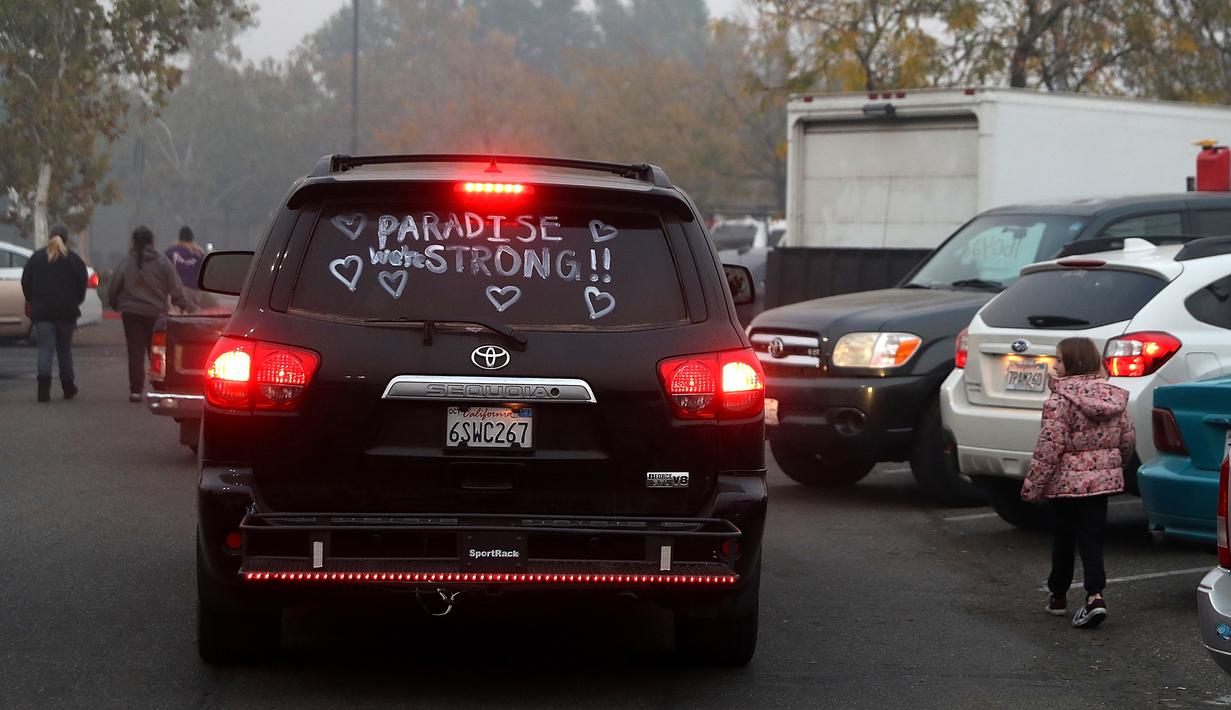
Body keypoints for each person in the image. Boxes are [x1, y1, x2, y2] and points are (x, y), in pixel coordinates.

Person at [1021, 337, 1135, 629]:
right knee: (1092, 539)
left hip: (1065, 485)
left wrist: (1033, 486)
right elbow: (1127, 439)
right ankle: (1095, 596)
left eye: (1059, 360)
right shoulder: (1113, 396)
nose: (1054, 365)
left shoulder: (1060, 400)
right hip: (1100, 484)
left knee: (1064, 539)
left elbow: (1049, 448)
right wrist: (1112, 466)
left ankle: (1058, 596)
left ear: (1073, 363)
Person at [109, 226, 196, 402]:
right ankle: (160, 386)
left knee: (135, 352)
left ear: (133, 241)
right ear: (152, 240)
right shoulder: (162, 261)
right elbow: (175, 286)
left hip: (131, 313)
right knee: (157, 351)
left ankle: (136, 390)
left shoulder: (127, 261)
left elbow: (115, 285)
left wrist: (116, 304)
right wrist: (183, 305)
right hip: (155, 313)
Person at [20, 224, 88, 402]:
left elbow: (25, 282)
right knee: (64, 349)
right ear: (66, 240)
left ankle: (43, 391)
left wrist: (33, 300)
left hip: (42, 311)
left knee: (45, 348)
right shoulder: (74, 260)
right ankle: (68, 387)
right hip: (66, 312)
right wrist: (75, 301)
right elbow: (82, 286)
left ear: (49, 237)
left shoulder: (37, 258)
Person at [166, 225, 204, 291]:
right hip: (194, 290)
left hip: (175, 290)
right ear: (192, 239)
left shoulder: (170, 252)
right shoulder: (199, 254)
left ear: (179, 238)